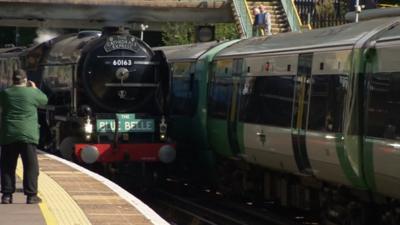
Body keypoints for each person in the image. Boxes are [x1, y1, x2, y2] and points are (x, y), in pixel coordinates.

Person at [0, 69, 48, 204]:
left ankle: (7, 196)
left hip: (9, 134)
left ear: (12, 80)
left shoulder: (6, 93)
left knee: (7, 165)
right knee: (30, 166)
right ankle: (31, 196)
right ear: (26, 80)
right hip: (28, 135)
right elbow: (44, 100)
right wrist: (35, 88)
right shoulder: (32, 93)